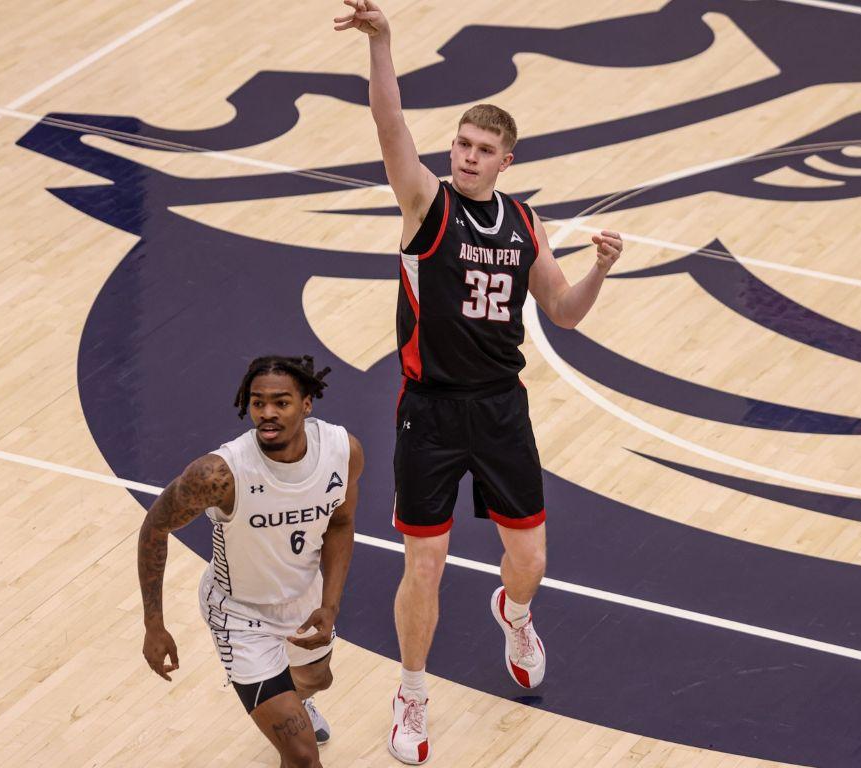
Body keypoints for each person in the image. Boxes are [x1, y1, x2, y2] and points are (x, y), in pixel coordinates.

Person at [334, 2, 625, 763]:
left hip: (501, 408)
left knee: (529, 557)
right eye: (461, 143)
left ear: (506, 162)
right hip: (428, 412)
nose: (466, 156)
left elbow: (561, 314)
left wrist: (598, 268)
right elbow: (388, 125)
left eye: (482, 148)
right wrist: (383, 44)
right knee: (423, 565)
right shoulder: (425, 206)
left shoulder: (524, 224)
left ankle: (515, 614)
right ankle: (412, 694)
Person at [137, 355, 363, 768]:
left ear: (307, 404)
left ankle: (296, 702)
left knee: (317, 679)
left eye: (281, 402)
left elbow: (341, 523)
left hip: (303, 597)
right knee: (301, 755)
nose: (268, 413)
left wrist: (329, 605)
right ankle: (288, 711)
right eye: (258, 403)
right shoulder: (219, 474)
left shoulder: (342, 451)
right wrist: (154, 623)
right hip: (240, 613)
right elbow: (154, 527)